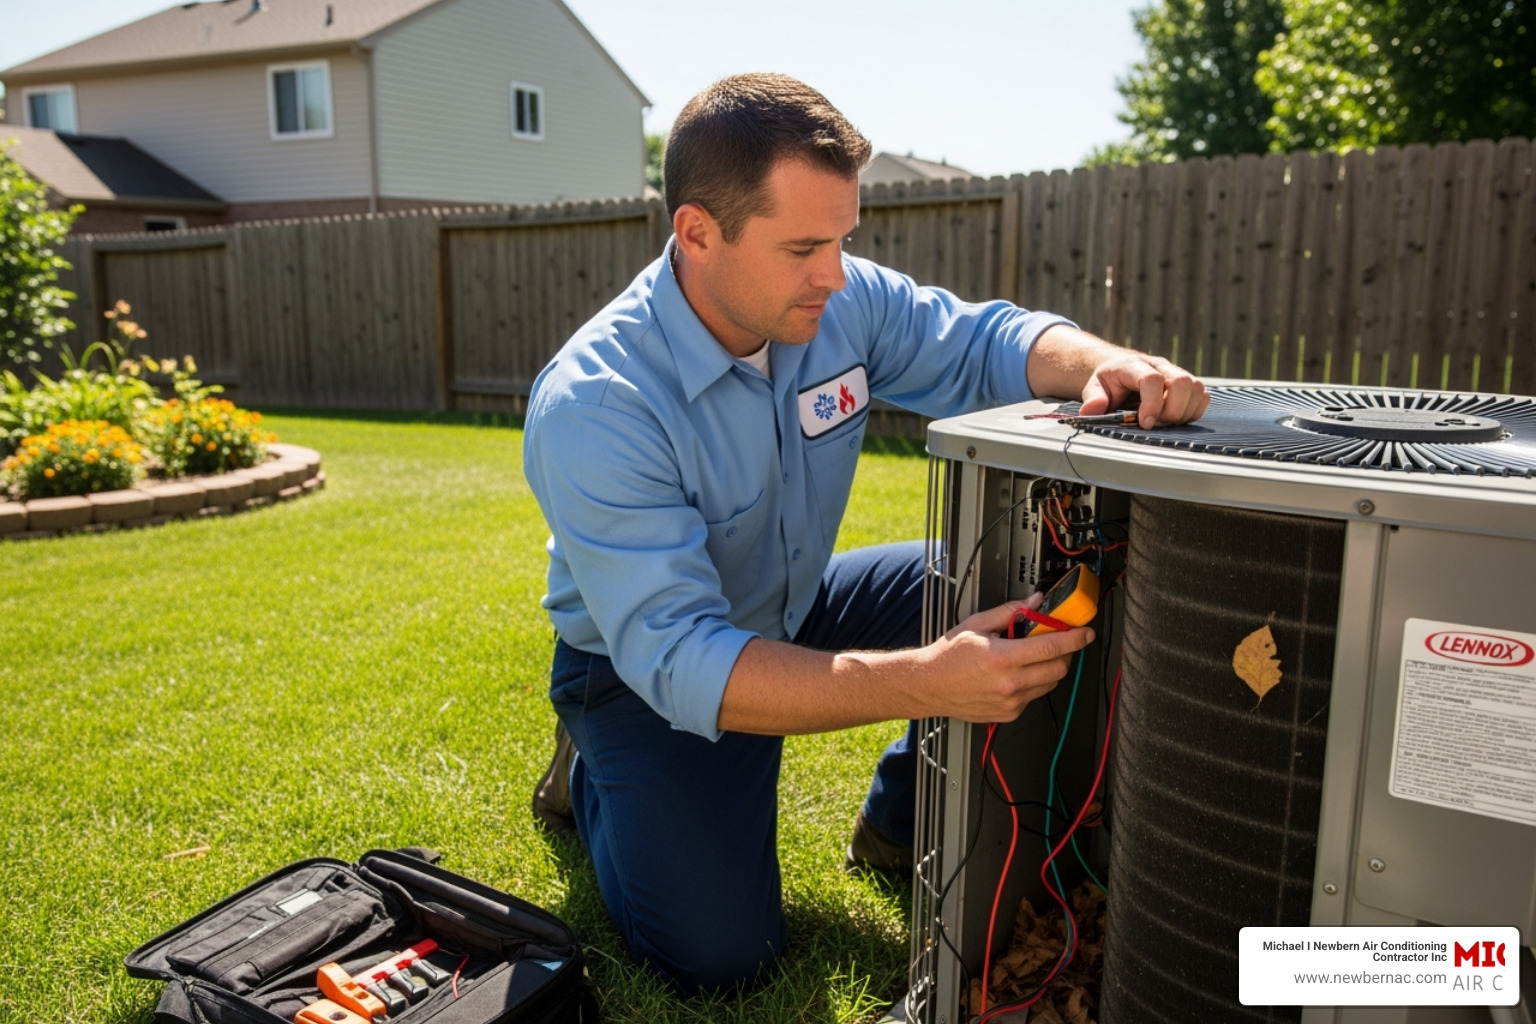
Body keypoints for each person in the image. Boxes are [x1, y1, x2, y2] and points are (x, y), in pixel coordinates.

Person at [522, 72, 1208, 995]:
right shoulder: (598, 405)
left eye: (845, 239)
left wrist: (1106, 360)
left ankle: (901, 815)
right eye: (804, 246)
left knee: (1011, 583)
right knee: (720, 958)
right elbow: (685, 656)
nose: (836, 275)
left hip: (793, 603)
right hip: (643, 674)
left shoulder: (838, 303)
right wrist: (926, 680)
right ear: (696, 233)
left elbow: (981, 343)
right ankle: (593, 776)